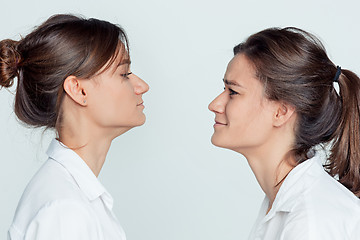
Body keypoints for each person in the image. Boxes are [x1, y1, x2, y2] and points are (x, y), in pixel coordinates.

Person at [1, 14, 149, 240]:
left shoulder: (70, 198)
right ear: (79, 90)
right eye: (124, 74)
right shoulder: (66, 212)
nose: (142, 86)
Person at [208, 27, 360, 239]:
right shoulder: (282, 203)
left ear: (281, 112)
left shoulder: (313, 220)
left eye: (233, 92)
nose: (214, 105)